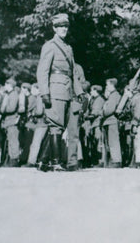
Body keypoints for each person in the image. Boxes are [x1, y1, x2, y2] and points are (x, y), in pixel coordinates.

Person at [36, 12, 77, 171]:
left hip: (66, 90)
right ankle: (55, 162)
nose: (63, 29)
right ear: (54, 28)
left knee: (59, 126)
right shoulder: (49, 46)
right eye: (60, 26)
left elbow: (72, 73)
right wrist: (44, 92)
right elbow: (42, 71)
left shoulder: (68, 48)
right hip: (54, 89)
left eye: (66, 26)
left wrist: (79, 93)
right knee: (55, 125)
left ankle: (42, 161)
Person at [0, 78, 22, 166]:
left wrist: (2, 110)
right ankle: (10, 160)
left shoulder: (13, 94)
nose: (5, 86)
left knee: (13, 141)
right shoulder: (9, 94)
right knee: (10, 140)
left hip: (12, 120)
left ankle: (14, 160)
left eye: (6, 84)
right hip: (8, 121)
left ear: (10, 85)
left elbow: (11, 108)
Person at [101, 78, 123, 167]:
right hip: (109, 121)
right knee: (110, 142)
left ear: (112, 85)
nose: (106, 87)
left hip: (112, 121)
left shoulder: (114, 95)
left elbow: (109, 110)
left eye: (107, 85)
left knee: (113, 142)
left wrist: (102, 112)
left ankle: (116, 161)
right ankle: (114, 160)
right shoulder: (112, 95)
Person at [26, 84, 47, 167]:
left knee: (35, 143)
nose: (31, 91)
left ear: (38, 89)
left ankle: (31, 161)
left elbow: (39, 111)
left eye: (33, 89)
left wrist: (33, 113)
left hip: (40, 123)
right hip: (46, 122)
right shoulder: (45, 96)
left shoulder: (39, 97)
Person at [86, 85, 105, 166]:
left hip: (97, 123)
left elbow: (95, 112)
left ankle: (100, 160)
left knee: (98, 142)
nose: (90, 92)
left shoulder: (99, 100)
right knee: (95, 142)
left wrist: (86, 117)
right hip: (94, 123)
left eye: (92, 90)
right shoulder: (94, 99)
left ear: (96, 91)